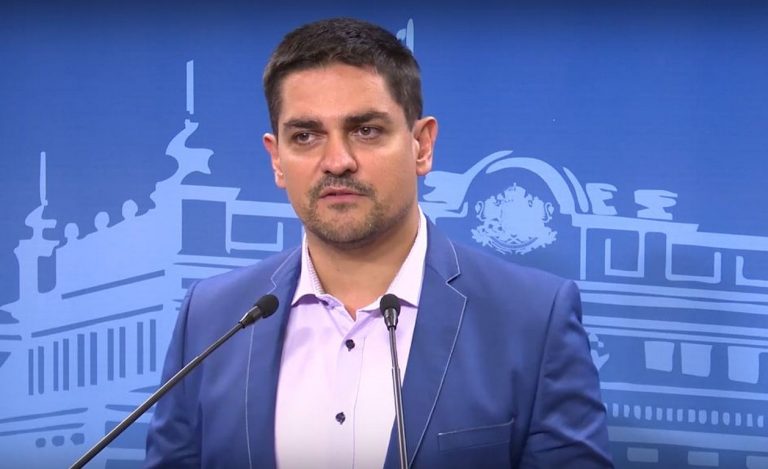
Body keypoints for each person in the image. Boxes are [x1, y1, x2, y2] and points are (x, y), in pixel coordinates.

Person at [145, 17, 612, 468]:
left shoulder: (532, 319)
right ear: (277, 159)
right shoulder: (212, 318)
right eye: (305, 136)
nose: (337, 161)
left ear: (422, 145)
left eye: (366, 130)